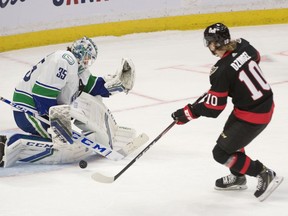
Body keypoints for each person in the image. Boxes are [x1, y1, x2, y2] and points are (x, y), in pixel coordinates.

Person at [171, 23, 283, 201]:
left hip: (253, 115)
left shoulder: (220, 71)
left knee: (221, 153)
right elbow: (257, 58)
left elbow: (213, 108)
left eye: (208, 42)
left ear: (214, 44)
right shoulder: (244, 45)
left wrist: (188, 113)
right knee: (232, 141)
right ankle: (238, 176)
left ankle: (263, 173)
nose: (208, 46)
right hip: (263, 104)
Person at [0, 36, 141, 167]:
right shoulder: (64, 60)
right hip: (29, 111)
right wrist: (58, 121)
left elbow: (94, 87)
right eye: (87, 58)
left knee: (68, 142)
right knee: (64, 146)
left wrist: (118, 84)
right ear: (80, 53)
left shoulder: (78, 69)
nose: (87, 63)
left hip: (42, 111)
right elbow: (41, 93)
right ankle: (8, 144)